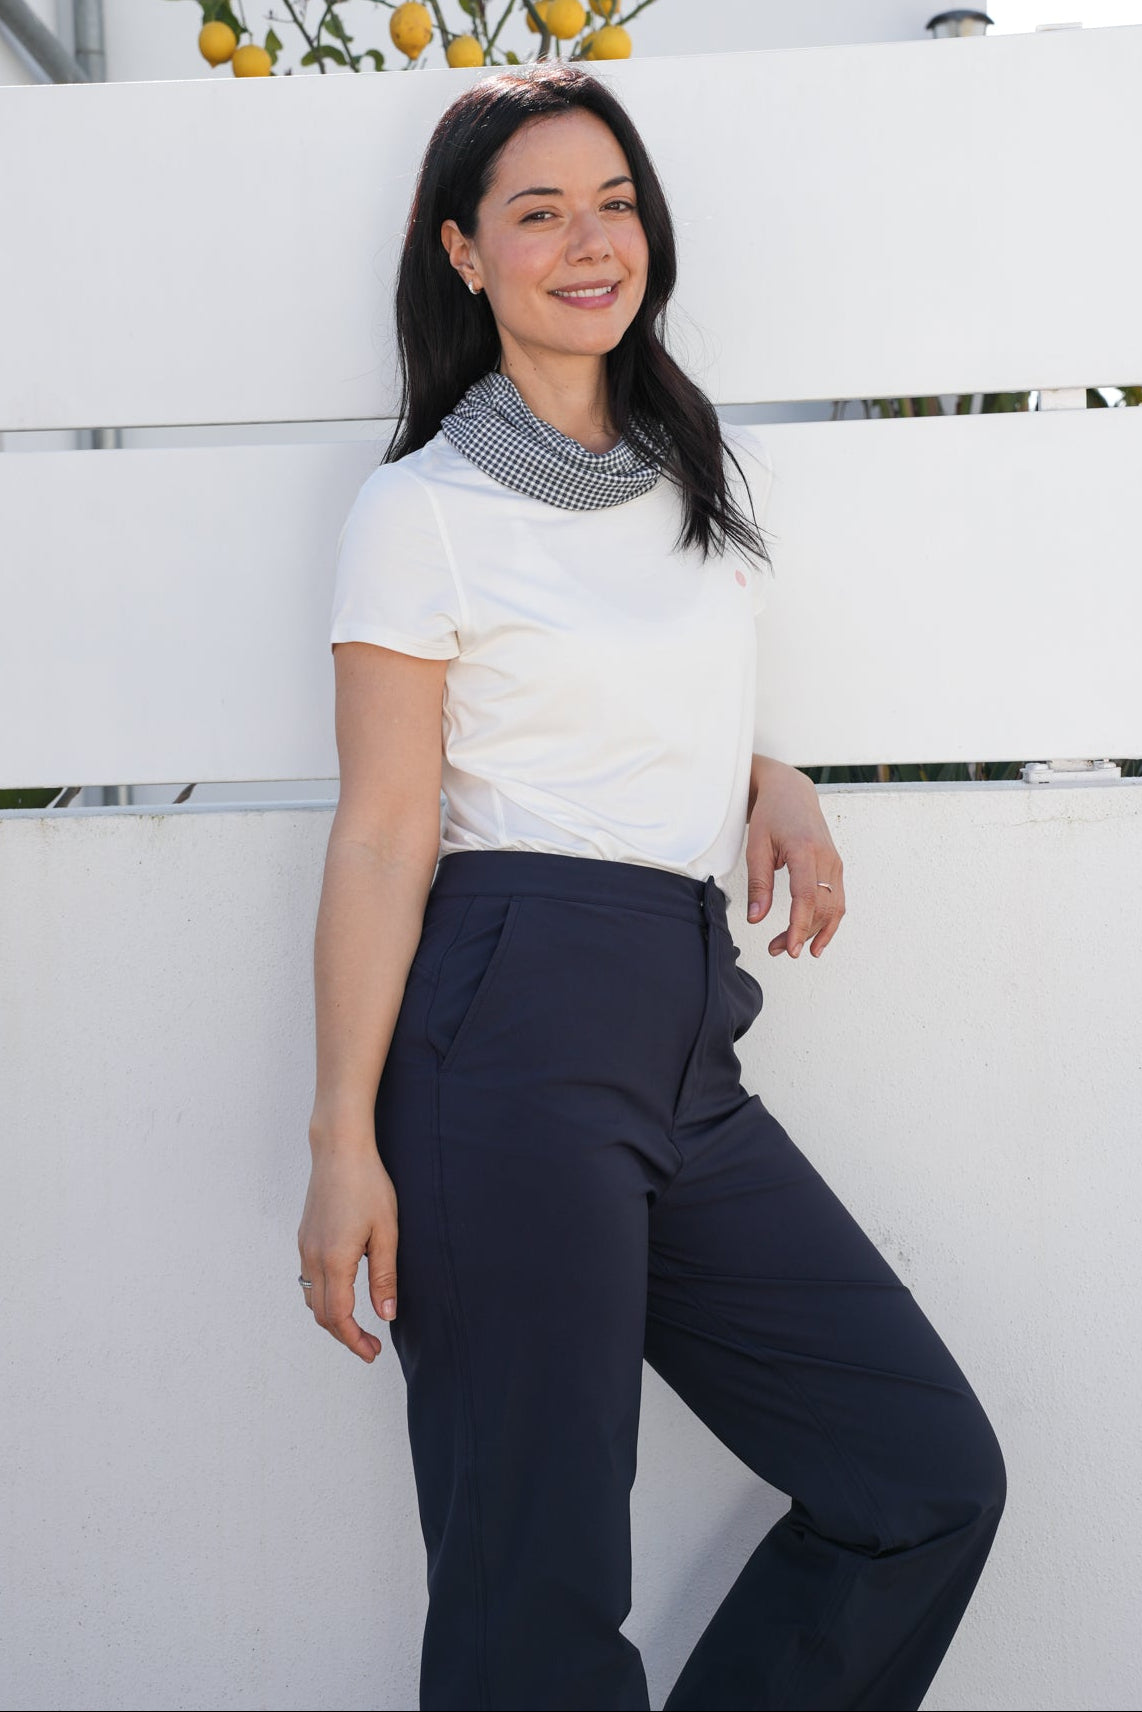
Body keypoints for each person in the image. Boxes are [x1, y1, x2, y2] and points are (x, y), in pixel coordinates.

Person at [298, 60, 1006, 1712]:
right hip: (508, 1034)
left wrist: (765, 777)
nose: (589, 243)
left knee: (919, 1478)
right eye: (538, 213)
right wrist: (340, 1142)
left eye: (613, 205)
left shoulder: (685, 470)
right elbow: (386, 830)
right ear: (463, 253)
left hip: (685, 1033)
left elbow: (610, 709)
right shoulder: (421, 511)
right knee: (534, 1592)